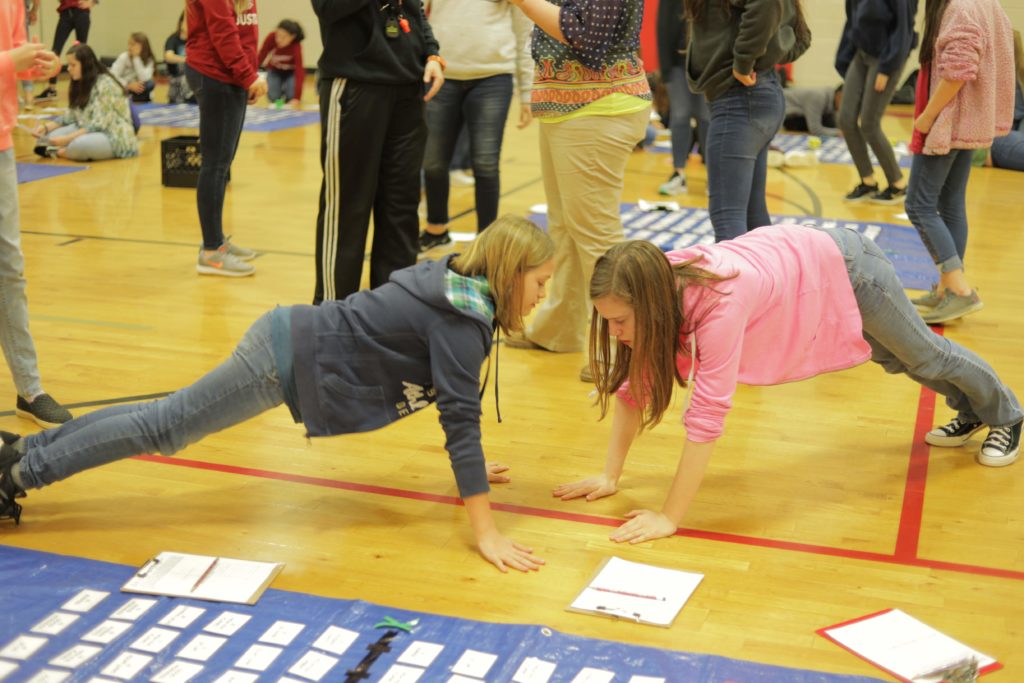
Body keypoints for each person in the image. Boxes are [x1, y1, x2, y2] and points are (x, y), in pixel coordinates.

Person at [0, 216, 554, 574]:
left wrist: (474, 466)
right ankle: (18, 474)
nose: (542, 296)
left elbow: (454, 413)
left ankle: (23, 454)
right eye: (539, 283)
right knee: (163, 428)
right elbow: (460, 421)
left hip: (285, 343)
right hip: (280, 362)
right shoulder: (461, 322)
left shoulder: (453, 282)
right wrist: (487, 531)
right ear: (508, 274)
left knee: (160, 418)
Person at [553, 226, 1022, 544]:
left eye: (618, 322)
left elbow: (707, 418)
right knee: (897, 362)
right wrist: (610, 476)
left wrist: (669, 518)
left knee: (924, 353)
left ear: (649, 306)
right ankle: (972, 409)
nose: (614, 334)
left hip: (848, 267)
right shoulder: (649, 285)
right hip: (807, 268)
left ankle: (1008, 415)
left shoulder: (718, 302)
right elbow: (635, 388)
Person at [502, 0, 651, 383]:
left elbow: (586, 34)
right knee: (566, 227)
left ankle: (626, 346)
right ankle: (559, 330)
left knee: (595, 233)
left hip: (598, 107)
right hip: (569, 108)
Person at [311, 0, 444, 303]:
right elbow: (327, 8)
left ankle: (391, 314)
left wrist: (431, 51)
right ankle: (332, 316)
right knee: (347, 207)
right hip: (355, 84)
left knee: (401, 209)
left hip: (408, 87)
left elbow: (415, 9)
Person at [904, 0, 1014, 324]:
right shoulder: (986, 5)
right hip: (971, 121)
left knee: (918, 205)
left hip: (950, 123)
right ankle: (947, 290)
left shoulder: (961, 8)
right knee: (951, 204)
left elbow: (957, 73)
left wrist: (926, 117)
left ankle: (961, 290)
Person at [1, 0, 73, 429]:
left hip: (3, 145)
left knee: (10, 269)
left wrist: (38, 65)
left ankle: (30, 388)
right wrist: (14, 59)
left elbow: (14, 54)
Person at [685, 0, 811, 242]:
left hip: (740, 99)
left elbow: (767, 5)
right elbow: (799, 37)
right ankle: (771, 279)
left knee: (727, 219)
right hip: (757, 96)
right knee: (753, 218)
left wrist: (745, 62)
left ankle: (743, 280)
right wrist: (763, 55)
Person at [417, 0, 533, 251]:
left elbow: (525, 31)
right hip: (442, 75)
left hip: (493, 78)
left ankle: (486, 241)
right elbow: (417, 14)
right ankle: (436, 230)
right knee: (433, 163)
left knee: (486, 164)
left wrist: (527, 92)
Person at [186, 0, 267, 278]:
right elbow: (223, 31)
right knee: (215, 164)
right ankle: (211, 252)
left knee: (222, 163)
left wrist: (248, 74)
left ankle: (217, 240)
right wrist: (248, 76)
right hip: (214, 74)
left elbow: (246, 31)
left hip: (230, 76)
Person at [836, 0, 918, 204]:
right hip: (861, 54)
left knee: (869, 124)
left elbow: (903, 30)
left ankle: (898, 184)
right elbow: (852, 20)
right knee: (845, 119)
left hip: (887, 58)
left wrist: (887, 67)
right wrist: (843, 60)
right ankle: (868, 182)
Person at [31, 44, 138, 161]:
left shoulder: (105, 84)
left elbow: (97, 124)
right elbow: (70, 115)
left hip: (114, 135)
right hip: (87, 128)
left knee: (79, 145)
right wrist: (45, 128)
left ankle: (60, 152)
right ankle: (63, 149)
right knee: (45, 139)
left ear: (86, 65)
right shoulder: (80, 82)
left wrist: (66, 139)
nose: (68, 68)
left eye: (73, 65)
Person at [656, 0, 709, 196]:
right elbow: (662, 27)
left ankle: (713, 177)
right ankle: (678, 173)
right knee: (680, 116)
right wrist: (665, 67)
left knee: (706, 118)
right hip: (677, 65)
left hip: (706, 65)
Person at [36, 0, 95, 102]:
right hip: (65, 14)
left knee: (81, 53)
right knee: (55, 50)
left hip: (81, 13)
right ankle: (52, 89)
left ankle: (81, 89)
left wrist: (93, 2)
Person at [257, 19, 304, 107]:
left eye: (283, 37)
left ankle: (287, 101)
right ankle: (279, 105)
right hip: (274, 71)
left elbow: (299, 70)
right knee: (274, 97)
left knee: (291, 95)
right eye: (277, 35)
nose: (278, 40)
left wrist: (297, 97)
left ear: (292, 37)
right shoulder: (271, 38)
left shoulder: (296, 46)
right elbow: (261, 56)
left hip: (290, 72)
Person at [110, 31, 156, 103]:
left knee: (150, 83)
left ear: (143, 46)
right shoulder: (124, 57)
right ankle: (129, 99)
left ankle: (137, 100)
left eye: (133, 44)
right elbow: (112, 76)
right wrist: (128, 85)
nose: (129, 47)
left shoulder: (149, 60)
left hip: (139, 88)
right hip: (125, 87)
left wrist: (136, 58)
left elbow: (144, 78)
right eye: (129, 44)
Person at [164, 11, 193, 104]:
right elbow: (168, 56)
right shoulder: (173, 39)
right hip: (177, 77)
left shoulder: (195, 40)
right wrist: (187, 59)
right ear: (181, 23)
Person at [18, 0, 36, 108]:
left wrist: (33, 10)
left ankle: (28, 95)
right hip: (20, 12)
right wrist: (34, 10)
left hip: (19, 12)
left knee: (22, 52)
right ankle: (27, 96)